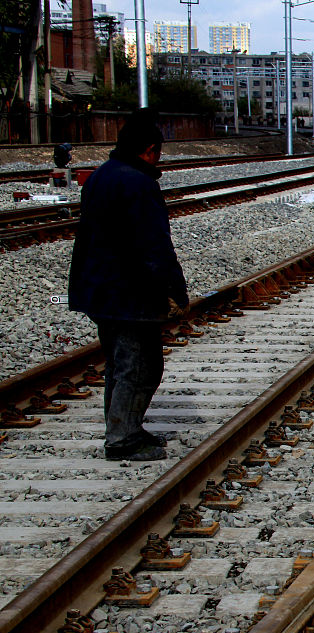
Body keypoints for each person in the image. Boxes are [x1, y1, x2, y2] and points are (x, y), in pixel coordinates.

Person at [69, 109, 188, 462]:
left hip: (98, 288)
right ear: (149, 149)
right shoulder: (139, 183)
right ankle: (122, 439)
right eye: (158, 153)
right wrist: (174, 290)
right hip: (129, 292)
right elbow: (153, 244)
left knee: (121, 364)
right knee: (140, 366)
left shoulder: (100, 177)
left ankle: (124, 426)